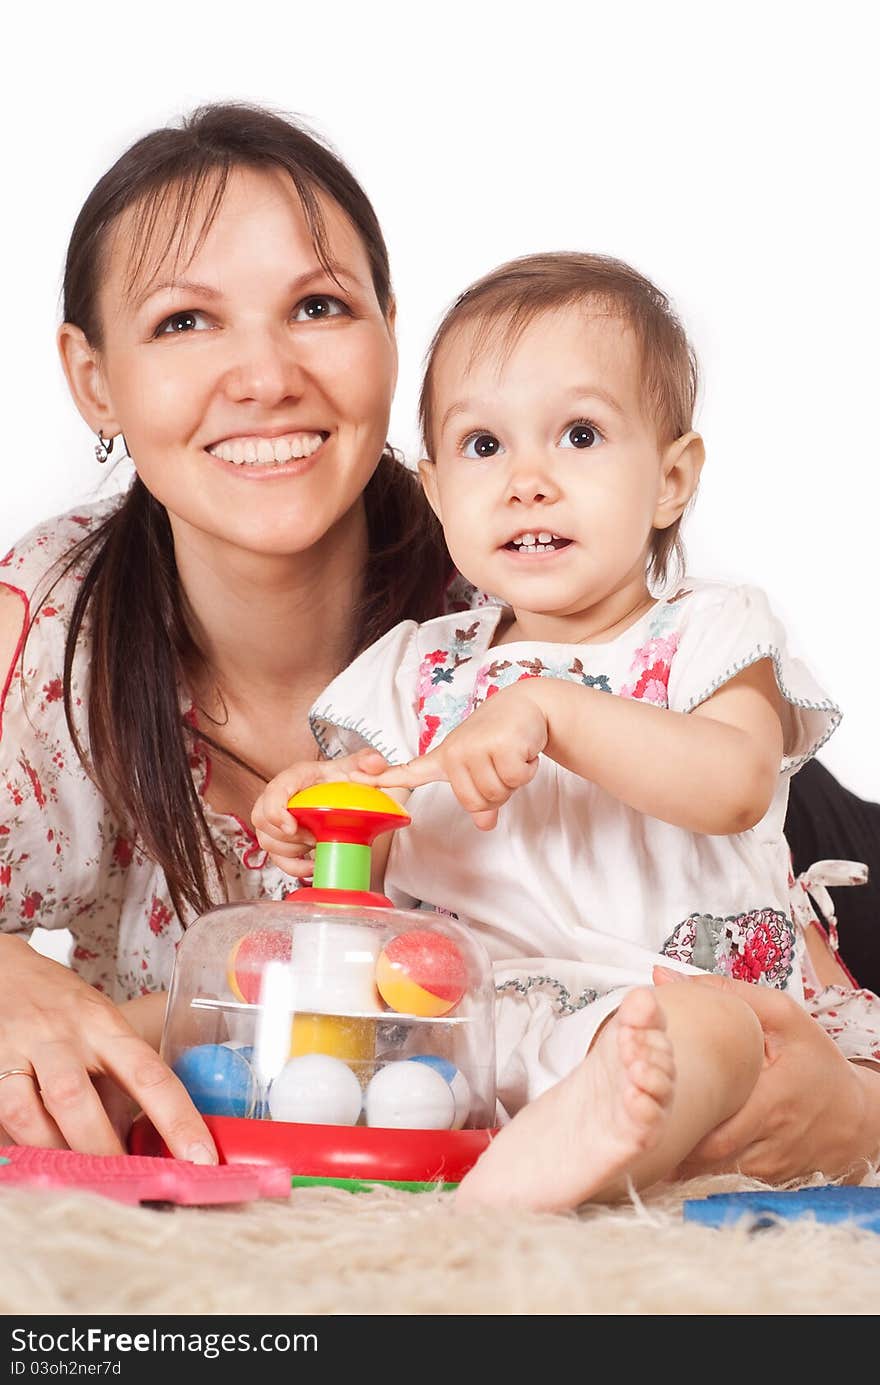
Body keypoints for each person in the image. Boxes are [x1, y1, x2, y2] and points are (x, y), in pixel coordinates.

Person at [0, 106, 876, 1187]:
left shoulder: (529, 583)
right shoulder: (47, 626)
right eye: (186, 321)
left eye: (317, 306)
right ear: (93, 378)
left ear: (386, 333)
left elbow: (754, 876)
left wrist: (864, 1104)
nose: (265, 374)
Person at [252, 252, 880, 1210]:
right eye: (482, 446)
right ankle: (506, 1151)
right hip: (461, 1023)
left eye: (579, 435)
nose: (527, 481)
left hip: (660, 1007)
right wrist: (312, 820)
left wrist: (556, 709)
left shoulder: (708, 633)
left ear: (672, 479)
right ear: (433, 489)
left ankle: (552, 1166)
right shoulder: (415, 670)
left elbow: (735, 784)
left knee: (702, 1036)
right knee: (337, 1026)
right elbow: (365, 861)